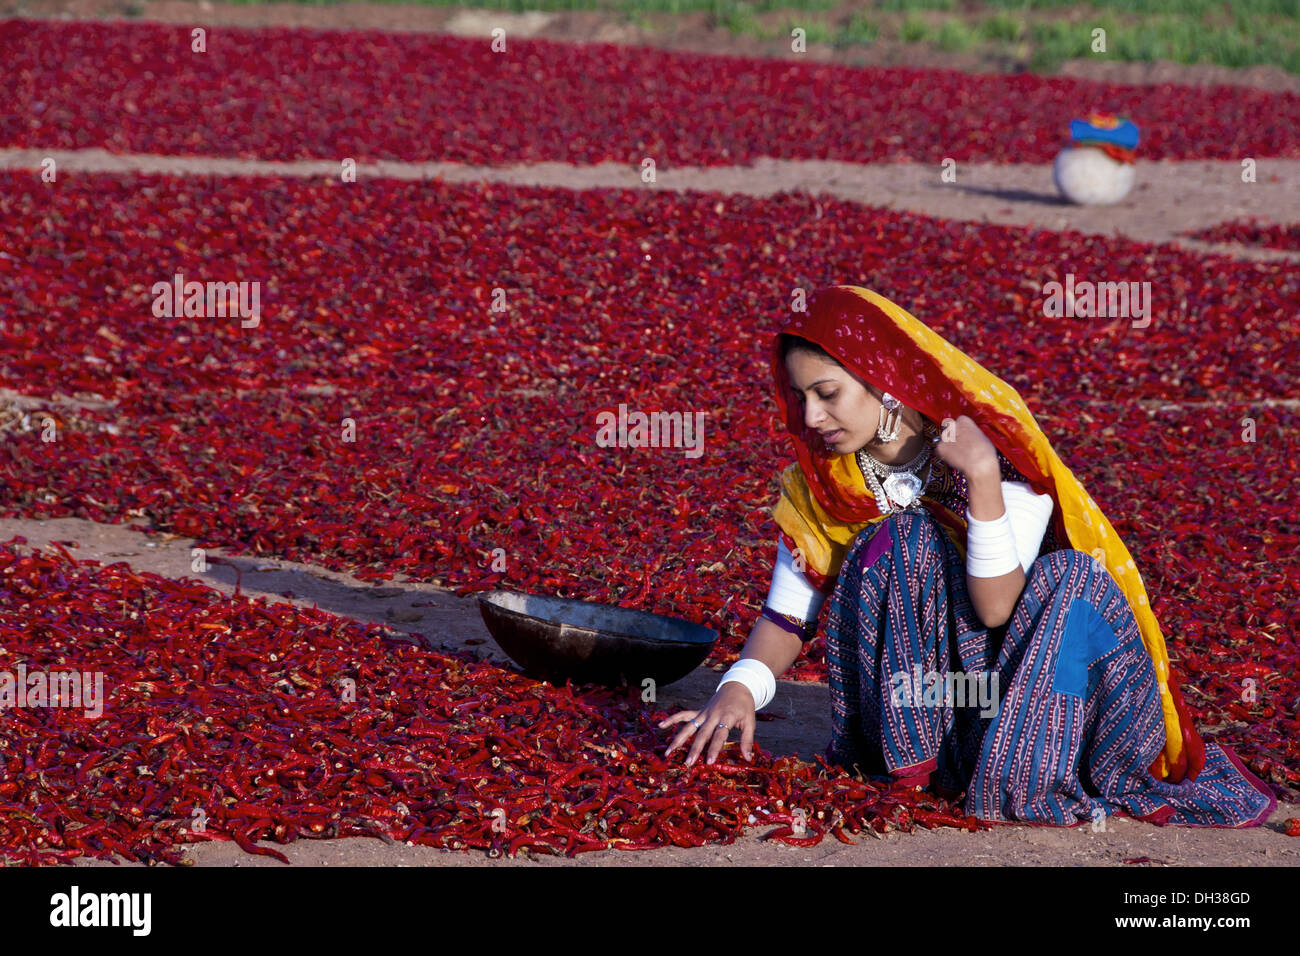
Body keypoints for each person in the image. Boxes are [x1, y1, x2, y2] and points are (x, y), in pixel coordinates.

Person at [661, 285, 1275, 827]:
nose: (811, 416)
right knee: (898, 541)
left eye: (828, 393)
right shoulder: (826, 482)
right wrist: (740, 688)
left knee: (1075, 580)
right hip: (930, 708)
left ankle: (1023, 769)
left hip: (1029, 683)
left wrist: (981, 477)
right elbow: (788, 615)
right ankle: (919, 759)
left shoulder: (993, 443)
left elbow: (997, 605)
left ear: (884, 381)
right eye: (802, 396)